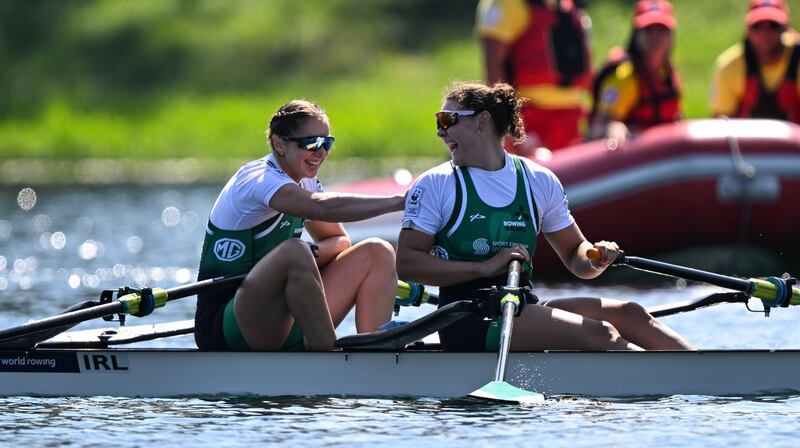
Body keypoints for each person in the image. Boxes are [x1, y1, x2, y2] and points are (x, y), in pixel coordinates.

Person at [396, 82, 694, 352]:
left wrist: (595, 256)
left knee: (631, 313)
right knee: (600, 334)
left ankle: (706, 379)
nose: (440, 131)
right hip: (468, 318)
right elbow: (407, 263)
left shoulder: (537, 179)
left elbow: (576, 258)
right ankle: (665, 396)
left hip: (520, 307)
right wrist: (485, 268)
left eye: (447, 120)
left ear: (482, 122)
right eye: (439, 121)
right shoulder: (436, 184)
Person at [194, 100, 403, 352]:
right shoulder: (257, 179)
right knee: (294, 250)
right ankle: (329, 354)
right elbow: (318, 207)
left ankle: (376, 354)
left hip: (285, 316)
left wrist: (310, 255)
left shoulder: (306, 181)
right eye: (311, 143)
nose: (321, 152)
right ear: (279, 144)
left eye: (327, 143)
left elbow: (340, 240)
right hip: (227, 324)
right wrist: (399, 202)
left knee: (377, 252)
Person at [476, 0, 592, 154]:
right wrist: (505, 124)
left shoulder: (567, 5)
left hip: (572, 117)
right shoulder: (507, 4)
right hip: (530, 117)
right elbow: (493, 72)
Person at [588, 0, 681, 150]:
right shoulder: (624, 77)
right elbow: (598, 128)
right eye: (649, 30)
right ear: (636, 34)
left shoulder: (668, 74)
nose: (655, 37)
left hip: (663, 158)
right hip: (633, 160)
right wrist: (616, 128)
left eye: (661, 30)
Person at [711, 0, 800, 122]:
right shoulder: (729, 66)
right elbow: (720, 123)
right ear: (747, 30)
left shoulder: (797, 59)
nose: (765, 33)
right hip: (744, 141)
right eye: (757, 26)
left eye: (773, 25)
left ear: (786, 28)